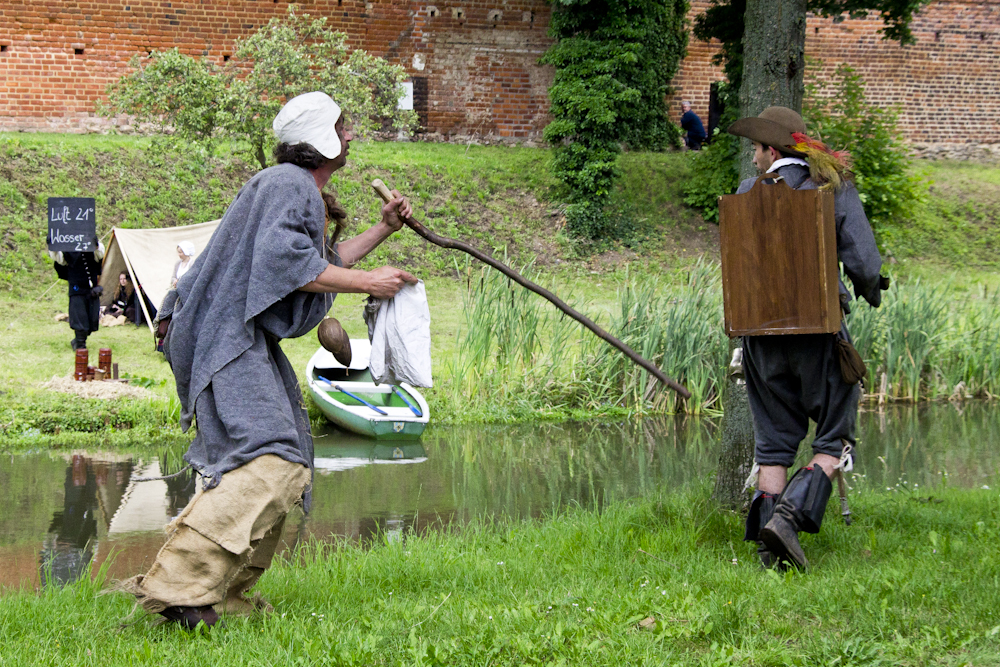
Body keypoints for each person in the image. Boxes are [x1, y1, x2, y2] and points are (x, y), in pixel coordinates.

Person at [120, 91, 417, 629]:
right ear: (322, 138)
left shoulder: (288, 187)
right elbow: (290, 266)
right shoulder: (287, 183)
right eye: (343, 128)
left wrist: (383, 230)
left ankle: (225, 595)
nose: (351, 136)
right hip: (223, 335)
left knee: (289, 457)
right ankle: (181, 588)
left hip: (239, 336)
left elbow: (318, 262)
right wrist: (371, 283)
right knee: (272, 456)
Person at [728, 106, 885, 570]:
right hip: (817, 333)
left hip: (759, 338)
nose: (754, 159)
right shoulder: (830, 187)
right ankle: (787, 523)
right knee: (834, 434)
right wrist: (871, 288)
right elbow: (865, 261)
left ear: (771, 150)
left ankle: (765, 552)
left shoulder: (744, 193)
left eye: (756, 150)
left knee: (774, 441)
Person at [51, 241, 104, 350]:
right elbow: (59, 259)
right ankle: (80, 344)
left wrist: (96, 243)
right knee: (80, 318)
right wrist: (53, 246)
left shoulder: (90, 245)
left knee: (91, 320)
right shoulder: (68, 248)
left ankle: (77, 340)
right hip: (77, 289)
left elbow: (99, 254)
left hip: (91, 289)